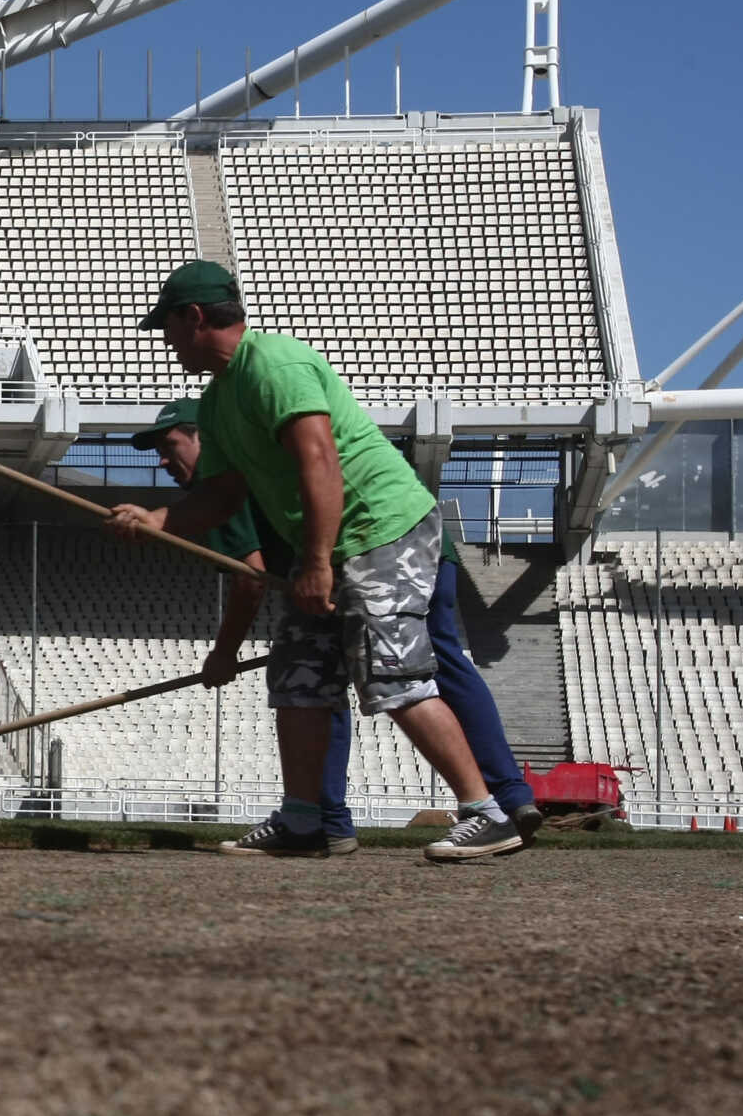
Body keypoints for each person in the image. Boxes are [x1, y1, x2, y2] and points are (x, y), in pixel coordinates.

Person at [106, 261, 525, 862]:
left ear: (194, 318)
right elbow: (221, 494)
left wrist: (318, 562)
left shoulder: (275, 364)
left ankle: (486, 813)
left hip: (381, 529)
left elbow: (318, 460)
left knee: (393, 672)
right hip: (330, 544)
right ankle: (306, 821)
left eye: (167, 329)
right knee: (299, 674)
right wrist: (155, 522)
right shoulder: (219, 399)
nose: (165, 342)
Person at [131, 397, 545, 855]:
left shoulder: (224, 479)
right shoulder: (240, 470)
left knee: (407, 671)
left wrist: (224, 653)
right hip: (383, 549)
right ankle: (326, 818)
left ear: (203, 438)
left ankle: (490, 805)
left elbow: (249, 582)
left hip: (380, 547)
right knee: (328, 676)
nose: (164, 461)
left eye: (170, 446)